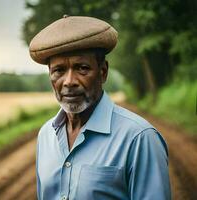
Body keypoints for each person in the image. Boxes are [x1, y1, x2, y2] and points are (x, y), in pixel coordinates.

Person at [29, 15, 171, 200]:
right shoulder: (46, 134)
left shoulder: (139, 137)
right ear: (50, 76)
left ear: (102, 72)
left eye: (82, 68)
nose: (69, 82)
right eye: (59, 70)